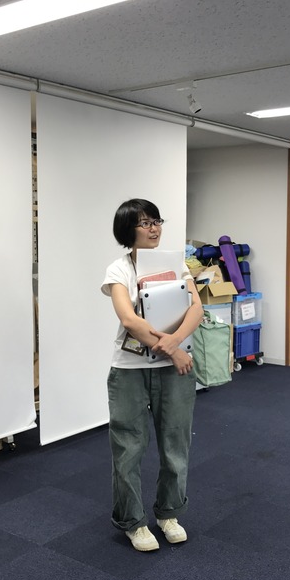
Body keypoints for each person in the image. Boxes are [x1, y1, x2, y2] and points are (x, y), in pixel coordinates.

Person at [101, 198, 203, 551]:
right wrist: (173, 349)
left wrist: (175, 342)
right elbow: (129, 319)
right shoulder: (119, 269)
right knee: (128, 447)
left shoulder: (178, 266)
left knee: (176, 444)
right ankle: (132, 521)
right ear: (127, 230)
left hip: (174, 370)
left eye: (156, 221)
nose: (154, 228)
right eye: (144, 223)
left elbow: (196, 309)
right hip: (130, 369)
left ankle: (169, 513)